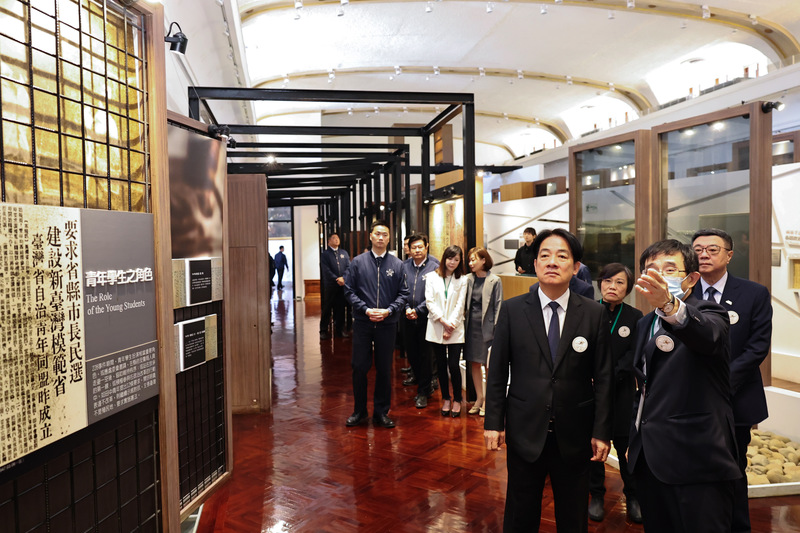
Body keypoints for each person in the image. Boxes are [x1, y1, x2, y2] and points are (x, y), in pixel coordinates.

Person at [484, 228, 612, 532]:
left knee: (573, 513)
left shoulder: (593, 313)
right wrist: (493, 422)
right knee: (520, 510)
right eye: (545, 255)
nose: (552, 262)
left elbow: (604, 376)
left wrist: (601, 431)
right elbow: (498, 370)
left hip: (575, 431)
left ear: (576, 267)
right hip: (524, 428)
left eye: (562, 256)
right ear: (535, 263)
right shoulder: (514, 310)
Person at [627, 239, 740, 533]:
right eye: (651, 269)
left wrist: (669, 305)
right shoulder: (643, 324)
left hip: (696, 460)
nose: (659, 276)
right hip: (651, 460)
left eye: (669, 269)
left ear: (690, 278)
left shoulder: (712, 313)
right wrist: (635, 439)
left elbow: (708, 337)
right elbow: (644, 388)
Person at [692, 228, 772, 533]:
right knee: (695, 466)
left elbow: (758, 346)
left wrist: (722, 382)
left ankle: (737, 526)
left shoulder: (754, 293)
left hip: (735, 398)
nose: (704, 255)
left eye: (712, 249)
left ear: (729, 255)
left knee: (734, 467)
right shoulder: (684, 294)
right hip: (691, 398)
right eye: (698, 249)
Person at [588, 263, 643, 524]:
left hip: (621, 394)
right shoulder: (587, 311)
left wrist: (607, 376)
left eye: (620, 283)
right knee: (594, 446)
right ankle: (596, 495)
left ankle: (633, 497)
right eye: (608, 281)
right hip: (590, 394)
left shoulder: (635, 317)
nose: (613, 287)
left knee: (624, 448)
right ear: (600, 283)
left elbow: (634, 356)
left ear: (628, 289)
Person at [343, 220, 409, 429]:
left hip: (387, 324)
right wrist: (365, 309)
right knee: (359, 367)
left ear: (389, 238)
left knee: (384, 368)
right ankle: (359, 411)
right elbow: (348, 290)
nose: (381, 238)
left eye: (385, 234)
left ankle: (381, 412)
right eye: (377, 234)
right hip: (363, 322)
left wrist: (389, 310)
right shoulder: (357, 262)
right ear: (370, 236)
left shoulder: (397, 264)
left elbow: (404, 293)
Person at [425, 245, 468, 417]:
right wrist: (443, 322)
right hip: (437, 326)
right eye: (450, 258)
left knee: (453, 366)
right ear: (444, 258)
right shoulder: (431, 277)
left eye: (456, 260)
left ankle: (457, 399)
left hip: (455, 328)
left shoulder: (463, 279)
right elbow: (429, 301)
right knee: (441, 366)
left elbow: (460, 305)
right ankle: (446, 398)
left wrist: (451, 326)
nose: (453, 262)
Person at [401, 234, 440, 408]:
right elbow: (400, 291)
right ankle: (423, 384)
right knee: (413, 354)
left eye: (420, 247)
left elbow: (435, 295)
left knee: (426, 355)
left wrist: (418, 310)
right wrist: (407, 309)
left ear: (426, 247)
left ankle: (423, 391)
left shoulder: (435, 266)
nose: (417, 250)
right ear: (409, 249)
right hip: (407, 316)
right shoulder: (403, 266)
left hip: (427, 317)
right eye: (413, 247)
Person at [464, 247, 503, 416]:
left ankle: (487, 400)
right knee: (474, 362)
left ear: (483, 260)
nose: (471, 263)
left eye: (474, 259)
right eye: (470, 260)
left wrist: (496, 329)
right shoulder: (467, 279)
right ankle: (479, 398)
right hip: (470, 326)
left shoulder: (495, 280)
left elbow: (498, 306)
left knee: (488, 365)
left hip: (488, 328)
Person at [320, 233, 351, 339]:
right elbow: (326, 270)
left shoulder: (344, 253)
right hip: (331, 285)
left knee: (341, 308)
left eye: (338, 238)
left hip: (343, 285)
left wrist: (344, 278)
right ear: (329, 241)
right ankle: (323, 330)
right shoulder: (325, 254)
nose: (336, 240)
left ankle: (340, 330)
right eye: (334, 238)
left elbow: (348, 267)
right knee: (327, 308)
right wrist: (336, 279)